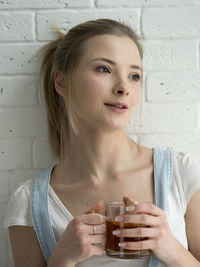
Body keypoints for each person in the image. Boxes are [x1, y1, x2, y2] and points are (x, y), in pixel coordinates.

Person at [3, 18, 200, 267]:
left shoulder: (183, 175)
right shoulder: (29, 203)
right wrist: (61, 260)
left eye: (134, 76)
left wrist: (173, 250)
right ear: (61, 82)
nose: (123, 87)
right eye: (104, 69)